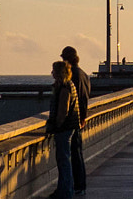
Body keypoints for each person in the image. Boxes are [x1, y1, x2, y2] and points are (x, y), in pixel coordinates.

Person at [44, 61, 85, 199]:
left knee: (64, 161)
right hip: (70, 127)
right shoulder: (70, 85)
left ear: (60, 73)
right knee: (65, 160)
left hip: (64, 129)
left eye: (54, 70)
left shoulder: (64, 88)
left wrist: (56, 125)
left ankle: (66, 192)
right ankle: (64, 190)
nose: (52, 73)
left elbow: (63, 111)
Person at [60, 46, 91, 195]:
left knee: (72, 155)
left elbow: (74, 99)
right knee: (78, 153)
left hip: (73, 120)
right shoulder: (84, 74)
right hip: (80, 118)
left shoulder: (73, 75)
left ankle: (77, 186)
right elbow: (85, 98)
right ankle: (80, 185)